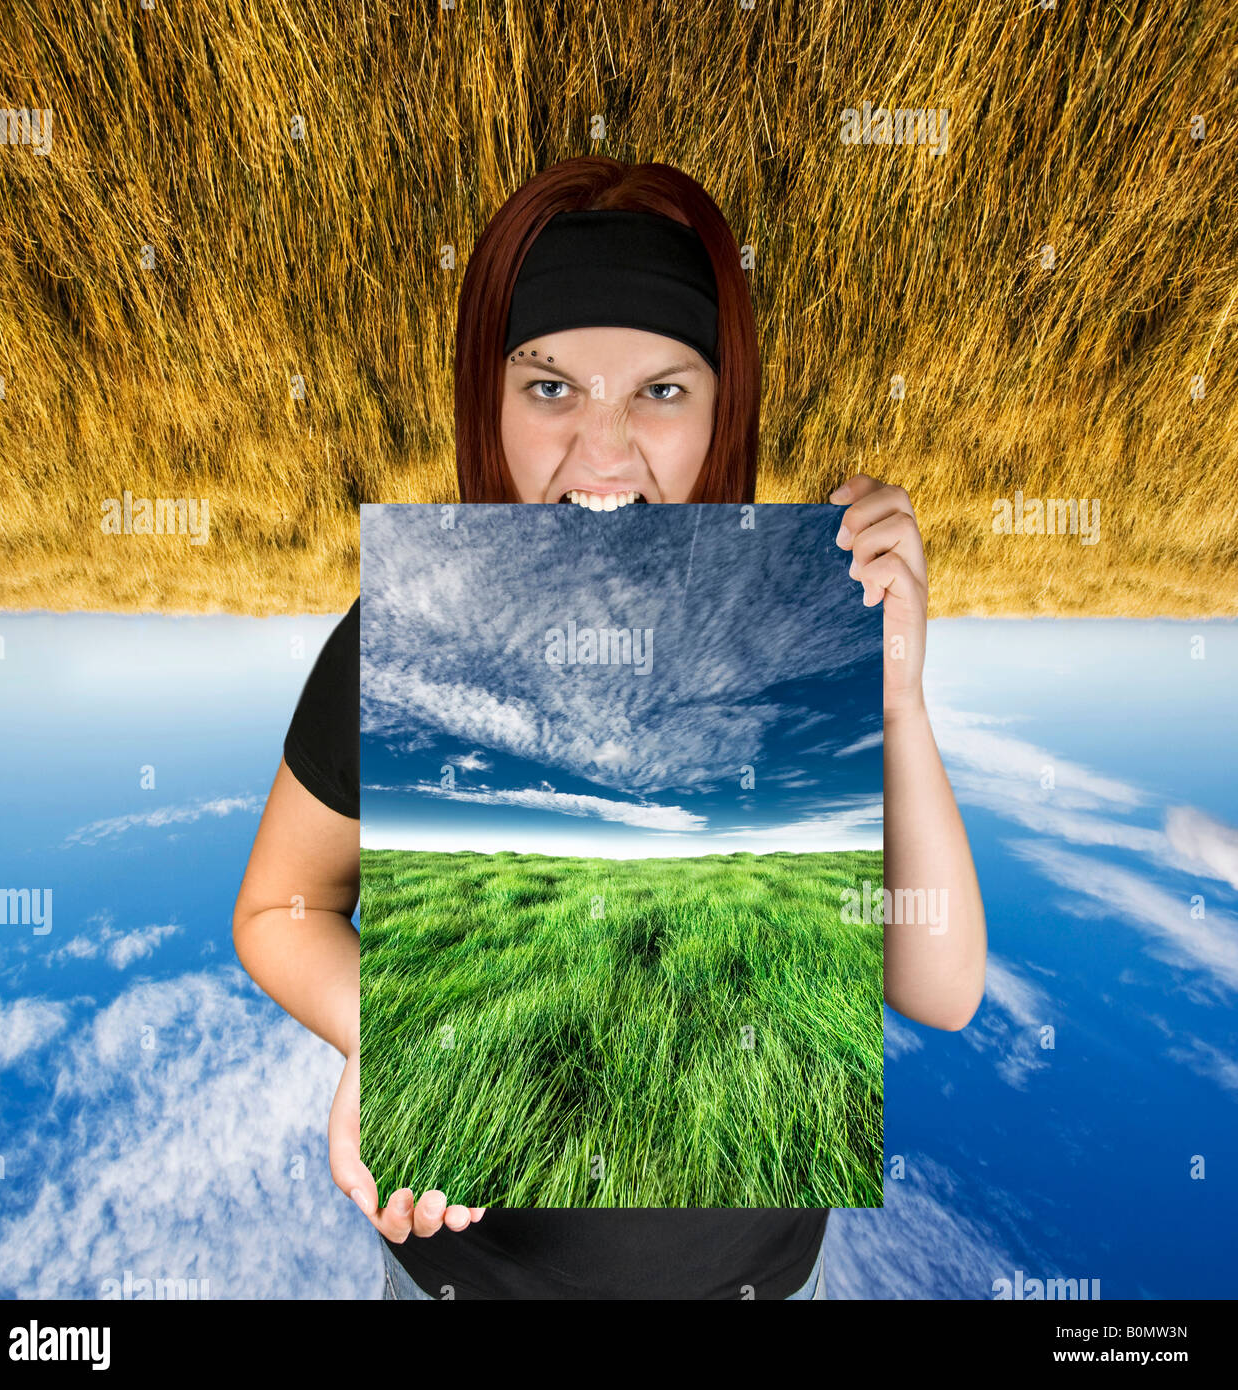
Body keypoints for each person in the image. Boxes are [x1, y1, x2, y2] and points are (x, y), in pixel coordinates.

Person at [233, 156, 986, 1300]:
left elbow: (940, 989)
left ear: (724, 404)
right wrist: (388, 1035)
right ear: (487, 399)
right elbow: (279, 907)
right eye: (549, 387)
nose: (600, 450)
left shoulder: (799, 619)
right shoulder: (404, 628)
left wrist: (896, 698)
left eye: (660, 390)